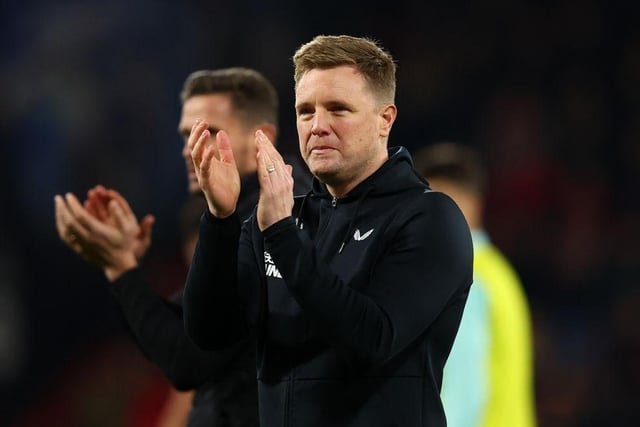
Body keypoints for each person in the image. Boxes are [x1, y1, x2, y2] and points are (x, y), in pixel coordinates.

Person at [183, 35, 474, 426]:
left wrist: (284, 235)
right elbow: (211, 334)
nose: (318, 126)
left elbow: (373, 339)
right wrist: (220, 219)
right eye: (306, 111)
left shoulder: (430, 218)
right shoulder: (280, 217)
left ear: (384, 119)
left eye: (338, 109)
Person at [54, 67, 311, 426]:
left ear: (261, 139)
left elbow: (188, 362)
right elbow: (175, 333)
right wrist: (123, 265)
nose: (190, 150)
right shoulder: (250, 211)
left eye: (208, 133)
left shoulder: (276, 219)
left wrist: (121, 268)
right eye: (185, 135)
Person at [413, 142, 537, 427]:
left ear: (473, 205)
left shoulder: (464, 277)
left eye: (440, 202)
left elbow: (464, 389)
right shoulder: (498, 272)